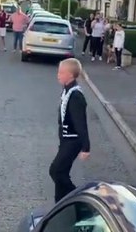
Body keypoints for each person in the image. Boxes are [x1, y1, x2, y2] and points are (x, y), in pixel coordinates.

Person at [49, 58, 90, 203]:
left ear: (71, 75)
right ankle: (60, 202)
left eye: (61, 72)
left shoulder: (76, 96)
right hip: (66, 139)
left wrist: (86, 147)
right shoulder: (68, 90)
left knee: (56, 170)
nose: (58, 75)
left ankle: (79, 199)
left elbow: (81, 123)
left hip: (73, 141)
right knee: (62, 172)